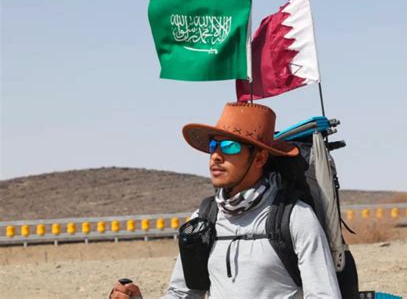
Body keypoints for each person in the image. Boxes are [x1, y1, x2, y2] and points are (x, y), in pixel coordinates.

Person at [110, 102, 341, 298]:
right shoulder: (203, 218)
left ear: (259, 157)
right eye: (213, 145)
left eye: (230, 146)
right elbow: (183, 294)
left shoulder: (295, 218)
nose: (216, 156)